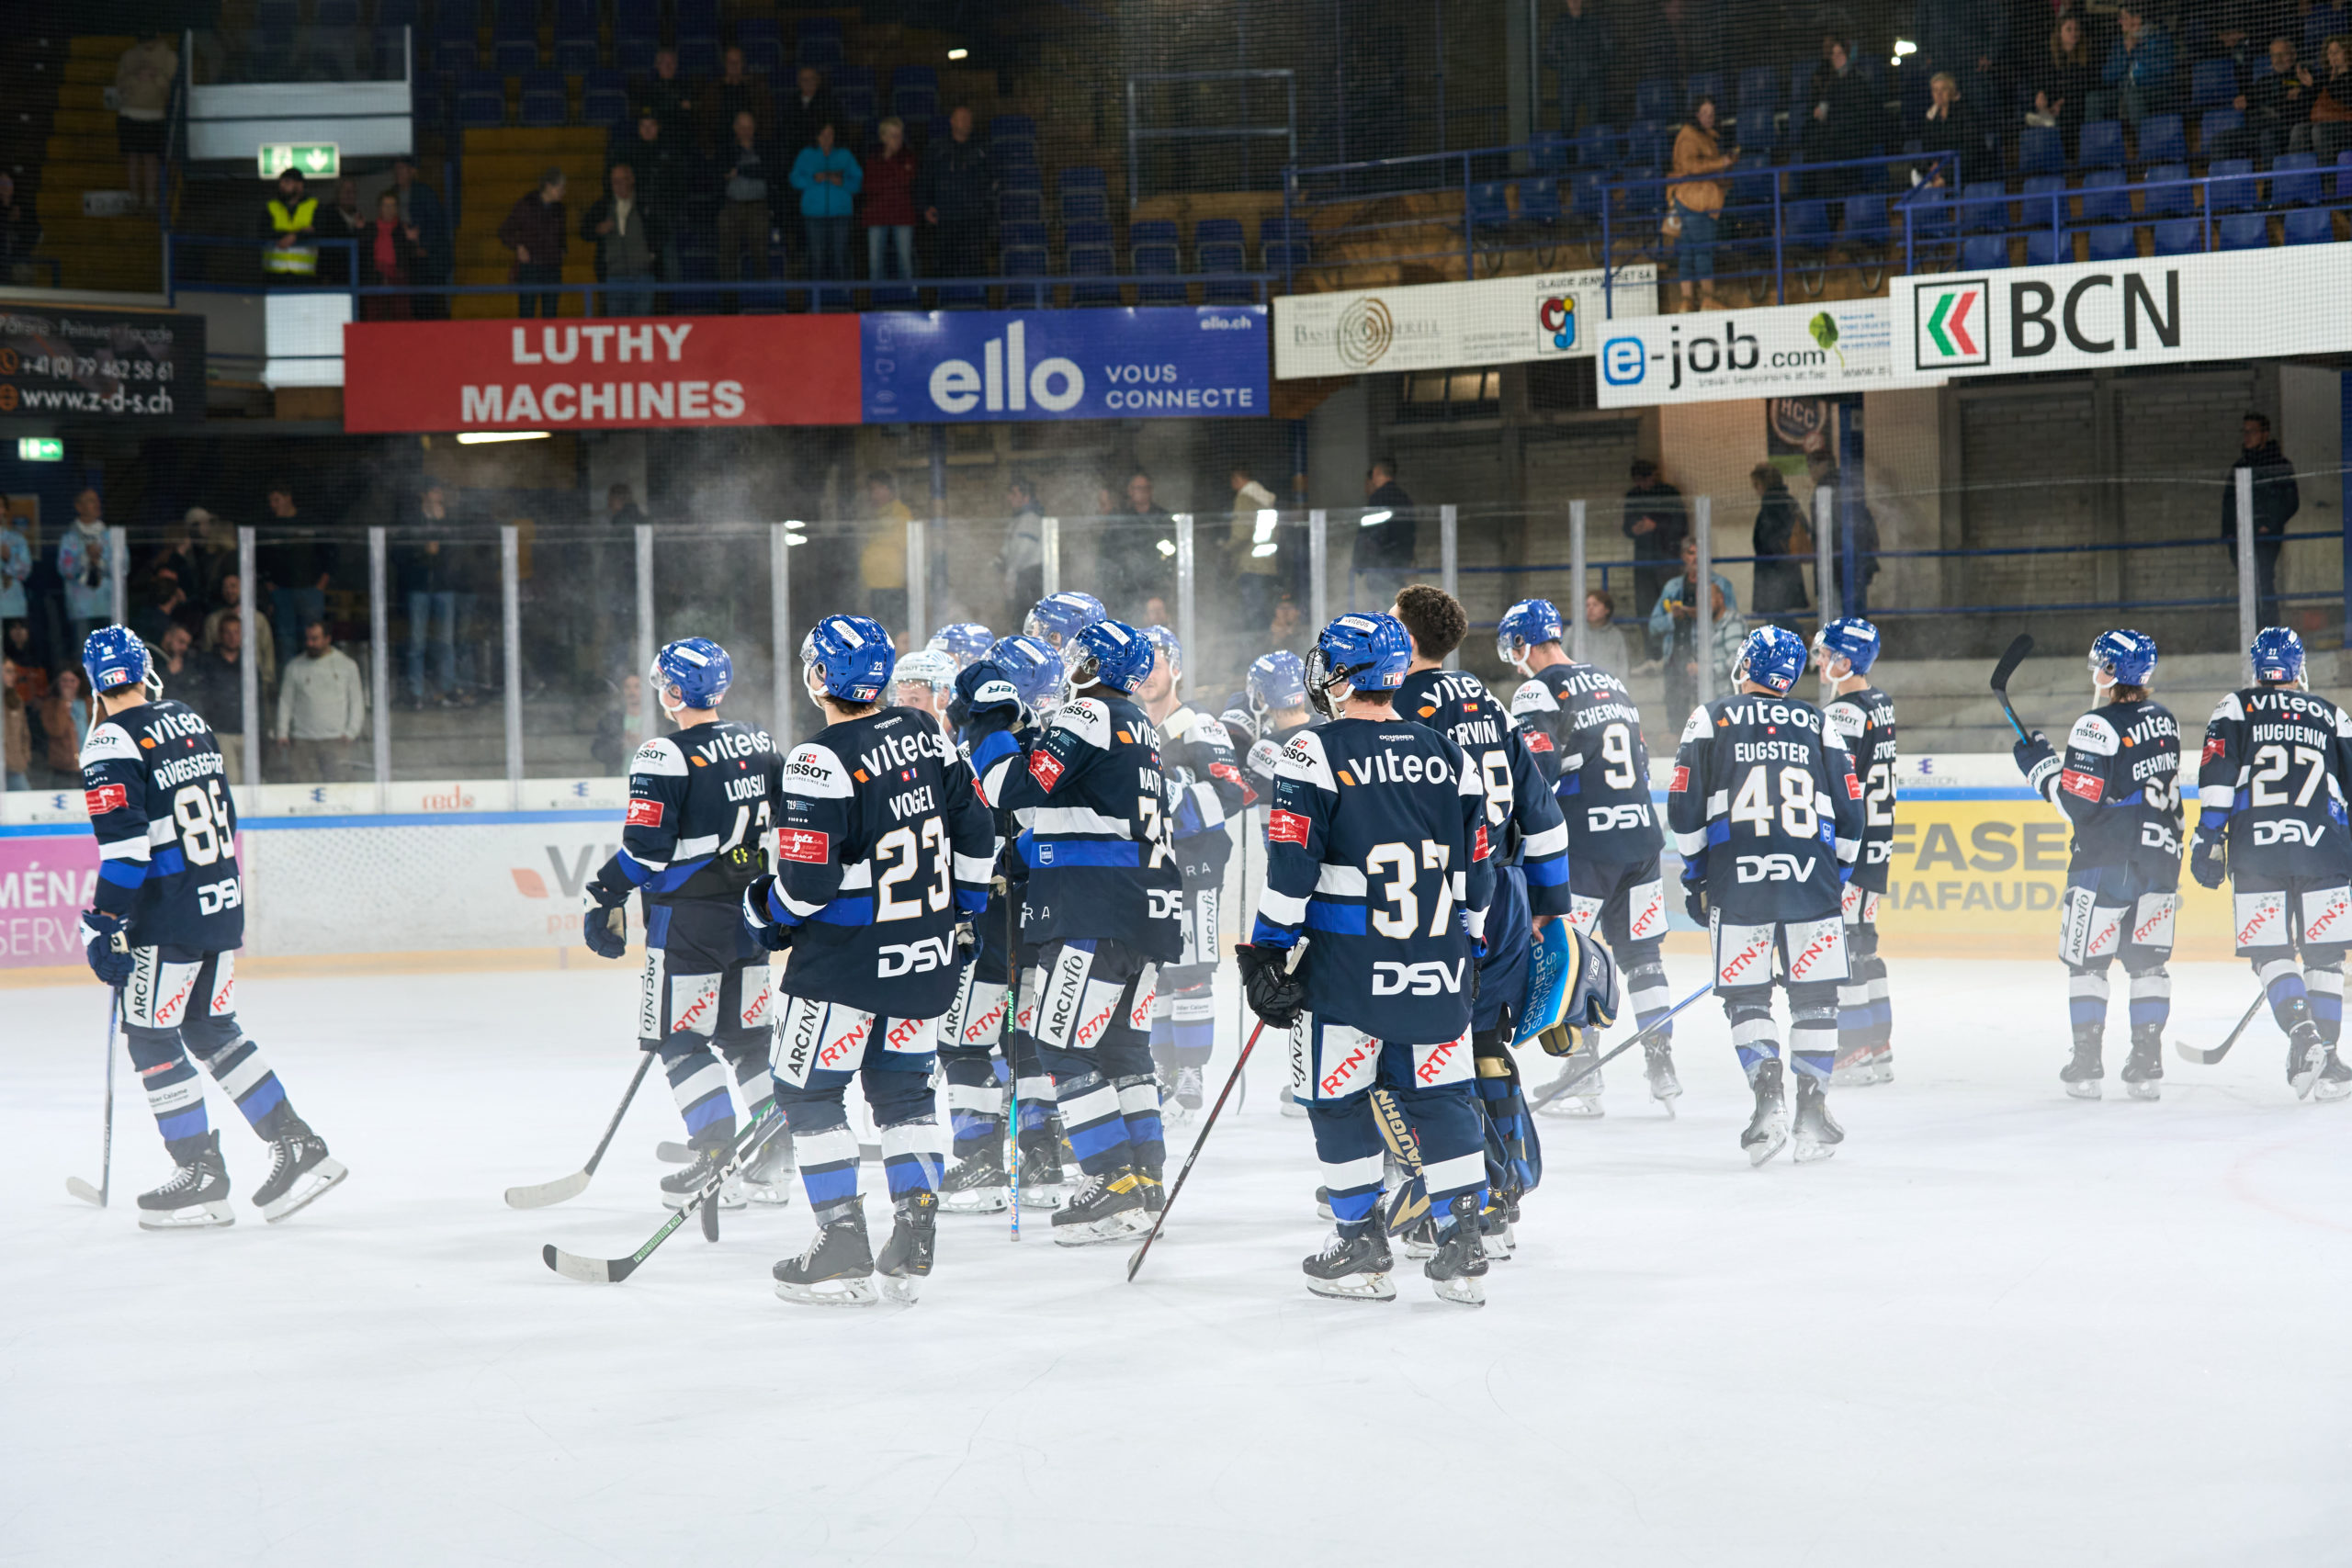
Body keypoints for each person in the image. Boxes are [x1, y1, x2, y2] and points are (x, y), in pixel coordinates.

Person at [1234, 611, 1500, 1303]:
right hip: (1437, 957)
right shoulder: (1448, 753)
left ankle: (1359, 1241)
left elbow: (1291, 869)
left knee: (1334, 1094)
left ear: (1343, 674)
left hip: (1347, 968)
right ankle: (1463, 1238)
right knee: (1441, 1095)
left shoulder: (1311, 752)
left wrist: (1266, 949)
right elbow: (1480, 868)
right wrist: (1467, 941)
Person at [742, 617, 995, 1304]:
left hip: (844, 964)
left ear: (819, 676)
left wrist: (764, 913)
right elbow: (978, 826)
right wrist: (965, 906)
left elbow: (806, 885)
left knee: (809, 1092)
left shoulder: (817, 759)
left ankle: (842, 1242)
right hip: (924, 954)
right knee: (905, 1092)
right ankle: (914, 1230)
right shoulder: (925, 733)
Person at [71, 626, 345, 1228]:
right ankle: (295, 1141)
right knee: (209, 1026)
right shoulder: (189, 720)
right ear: (145, 669)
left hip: (167, 914)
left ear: (95, 684)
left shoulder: (108, 741)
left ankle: (198, 1171)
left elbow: (125, 851)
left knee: (150, 1035)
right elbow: (228, 813)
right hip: (219, 899)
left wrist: (103, 922)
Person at [579, 638, 795, 1211]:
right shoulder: (760, 740)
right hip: (752, 913)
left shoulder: (662, 756)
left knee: (680, 1040)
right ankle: (774, 1161)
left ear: (674, 692)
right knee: (749, 1040)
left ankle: (715, 1153)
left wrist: (605, 891)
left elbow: (645, 854)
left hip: (687, 925)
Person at [1393, 587, 1572, 1257]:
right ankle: (1504, 1195)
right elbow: (1545, 819)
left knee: (1432, 1052)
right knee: (1487, 1041)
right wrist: (1552, 910)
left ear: (1406, 640)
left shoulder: (1400, 705)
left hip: (1438, 900)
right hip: (1506, 893)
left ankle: (1460, 1192)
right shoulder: (1487, 699)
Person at [994, 617, 1186, 1244]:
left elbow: (1018, 790)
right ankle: (1145, 1179)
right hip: (1147, 910)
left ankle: (1110, 1180)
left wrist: (995, 735)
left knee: (1060, 1042)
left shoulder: (1087, 717)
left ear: (1092, 663)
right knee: (1122, 1048)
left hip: (1096, 908)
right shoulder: (1140, 724)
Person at [1669, 625, 1866, 1164]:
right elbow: (1852, 811)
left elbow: (1683, 804)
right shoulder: (1821, 723)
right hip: (1812, 877)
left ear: (1746, 665)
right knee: (1816, 998)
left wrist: (1696, 875)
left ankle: (1767, 1103)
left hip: (1738, 878)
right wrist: (1837, 874)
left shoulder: (1712, 716)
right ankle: (1812, 1112)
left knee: (1747, 998)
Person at [1498, 595, 1680, 1115]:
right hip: (1642, 837)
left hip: (1587, 845)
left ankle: (1582, 1072)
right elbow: (1642, 762)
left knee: (1570, 952)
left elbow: (1539, 769)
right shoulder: (1612, 681)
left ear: (1520, 643)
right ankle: (1662, 1066)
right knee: (1644, 955)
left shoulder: (1537, 689)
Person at [2012, 630, 2182, 1100]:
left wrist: (2040, 768)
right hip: (2161, 861)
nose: (2096, 673)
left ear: (2113, 671)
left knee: (2087, 966)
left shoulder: (2095, 725)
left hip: (2105, 862)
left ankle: (2087, 1064)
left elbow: (2077, 806)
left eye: (2101, 665)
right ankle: (2147, 1064)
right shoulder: (2165, 720)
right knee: (2148, 966)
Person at [935, 634, 1069, 1213]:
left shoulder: (994, 746)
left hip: (998, 911)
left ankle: (980, 1162)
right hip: (1052, 914)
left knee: (963, 1040)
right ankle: (1042, 1157)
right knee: (1026, 1039)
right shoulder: (1066, 738)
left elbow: (983, 823)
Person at [2191, 626, 2352, 1100]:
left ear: (2257, 669)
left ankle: (2302, 1035)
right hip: (2324, 848)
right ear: (2299, 668)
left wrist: (2208, 839)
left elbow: (2218, 780)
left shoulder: (2236, 708)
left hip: (2258, 848)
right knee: (2325, 956)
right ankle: (2329, 1064)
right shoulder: (2332, 715)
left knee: (2271, 953)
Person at [1134, 626, 1246, 1122]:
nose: (1146, 676)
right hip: (1145, 865)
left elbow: (1234, 793)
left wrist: (1180, 795)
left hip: (1195, 864)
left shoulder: (1198, 723)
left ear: (1175, 668)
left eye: (1155, 664)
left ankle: (1192, 1069)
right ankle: (1162, 1068)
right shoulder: (1129, 726)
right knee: (1153, 972)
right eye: (1139, 665)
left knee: (1192, 971)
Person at [1814, 619, 1899, 1086]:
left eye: (1828, 656)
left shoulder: (1842, 714)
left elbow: (1836, 787)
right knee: (1863, 941)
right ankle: (1878, 1043)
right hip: (1878, 842)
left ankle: (1854, 1047)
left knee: (1845, 945)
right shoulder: (1879, 703)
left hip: (1853, 846)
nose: (1822, 663)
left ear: (1846, 662)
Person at [1650, 536, 1742, 728]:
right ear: (1683, 556)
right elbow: (1654, 626)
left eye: (1701, 553)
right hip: (1677, 661)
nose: (1696, 558)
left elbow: (1730, 621)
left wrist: (1699, 614)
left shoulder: (1721, 585)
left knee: (1711, 717)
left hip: (1708, 662)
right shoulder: (1672, 587)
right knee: (1677, 718)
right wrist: (1673, 618)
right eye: (1691, 553)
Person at [2222, 412, 2299, 628]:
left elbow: (2291, 502)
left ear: (2265, 434)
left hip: (2266, 536)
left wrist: (2270, 525)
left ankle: (2269, 632)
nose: (2246, 437)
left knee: (2263, 581)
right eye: (2244, 432)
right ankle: (2252, 632)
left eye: (2252, 432)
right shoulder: (2240, 466)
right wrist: (2229, 532)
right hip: (2240, 536)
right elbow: (2228, 501)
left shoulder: (2279, 465)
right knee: (2247, 585)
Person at [1669, 97, 1737, 311]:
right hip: (1696, 200)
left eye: (1712, 112)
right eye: (1705, 112)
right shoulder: (1689, 136)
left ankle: (1687, 301)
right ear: (1696, 114)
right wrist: (1722, 162)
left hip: (1692, 198)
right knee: (1702, 250)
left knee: (1689, 251)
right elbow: (1691, 166)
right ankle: (1707, 299)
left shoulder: (1704, 136)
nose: (1710, 117)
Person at [274, 621, 364, 782]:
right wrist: (282, 732)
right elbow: (286, 701)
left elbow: (356, 701)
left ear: (327, 638)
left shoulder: (347, 666)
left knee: (338, 792)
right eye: (307, 639)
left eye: (315, 639)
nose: (310, 643)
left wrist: (352, 732)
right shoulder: (294, 667)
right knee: (301, 791)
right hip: (302, 740)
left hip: (337, 740)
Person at [917, 106, 994, 281]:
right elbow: (925, 179)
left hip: (974, 219)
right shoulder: (937, 149)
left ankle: (977, 303)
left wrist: (986, 209)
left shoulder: (982, 149)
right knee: (945, 265)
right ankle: (944, 305)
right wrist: (926, 206)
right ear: (952, 121)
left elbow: (992, 182)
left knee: (975, 265)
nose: (967, 123)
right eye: (962, 119)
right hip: (946, 218)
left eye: (969, 119)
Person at [1622, 458, 1686, 662]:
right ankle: (1652, 656)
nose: (1643, 485)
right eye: (1638, 481)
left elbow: (1681, 526)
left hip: (1667, 560)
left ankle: (1675, 653)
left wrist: (1656, 526)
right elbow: (1626, 526)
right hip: (1643, 562)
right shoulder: (1632, 496)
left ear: (1654, 475)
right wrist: (1635, 528)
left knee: (1670, 606)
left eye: (1645, 479)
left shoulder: (1669, 493)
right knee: (1645, 607)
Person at [790, 122, 862, 305]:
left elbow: (858, 181)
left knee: (840, 255)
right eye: (823, 134)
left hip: (841, 214)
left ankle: (844, 298)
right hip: (814, 215)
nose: (827, 138)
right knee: (816, 257)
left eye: (830, 134)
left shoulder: (844, 155)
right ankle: (815, 301)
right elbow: (794, 179)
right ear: (817, 136)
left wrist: (842, 182)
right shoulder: (807, 155)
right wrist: (814, 179)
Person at [581, 162, 663, 318]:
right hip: (614, 277)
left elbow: (661, 230)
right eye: (615, 182)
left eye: (624, 180)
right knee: (617, 326)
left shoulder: (646, 204)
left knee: (643, 325)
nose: (620, 185)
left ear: (632, 179)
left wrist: (652, 254)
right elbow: (584, 232)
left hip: (643, 277)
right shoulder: (603, 206)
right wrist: (598, 229)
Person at [1802, 39, 1882, 195]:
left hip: (1852, 141)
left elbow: (1861, 116)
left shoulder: (1858, 81)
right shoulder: (1832, 82)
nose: (1836, 57)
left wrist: (1830, 118)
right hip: (1834, 138)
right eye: (1833, 54)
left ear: (1848, 55)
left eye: (1840, 53)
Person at [114, 33, 176, 211]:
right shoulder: (129, 56)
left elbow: (171, 88)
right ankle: (134, 198)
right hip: (129, 114)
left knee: (151, 159)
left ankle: (150, 199)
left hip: (155, 115)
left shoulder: (169, 57)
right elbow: (120, 84)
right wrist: (136, 77)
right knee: (132, 157)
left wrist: (155, 77)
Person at [716, 112, 772, 309]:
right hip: (732, 206)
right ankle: (729, 305)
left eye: (749, 126)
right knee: (727, 255)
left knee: (760, 252)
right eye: (742, 126)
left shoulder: (764, 147)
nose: (746, 131)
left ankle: (763, 302)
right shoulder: (726, 148)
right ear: (735, 128)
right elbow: (719, 170)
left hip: (758, 206)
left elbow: (767, 170)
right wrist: (750, 170)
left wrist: (739, 171)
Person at [1748, 463, 1809, 635]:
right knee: (1777, 615)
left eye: (1756, 485)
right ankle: (1797, 643)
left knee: (1774, 616)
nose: (1755, 490)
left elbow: (1768, 539)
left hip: (1773, 569)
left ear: (1762, 484)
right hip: (1786, 566)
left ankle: (1803, 638)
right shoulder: (1788, 501)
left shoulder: (1771, 504)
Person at [499, 169, 568, 320]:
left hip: (552, 269)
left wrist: (562, 250)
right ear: (549, 186)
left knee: (550, 316)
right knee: (527, 314)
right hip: (531, 268)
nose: (563, 192)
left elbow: (562, 236)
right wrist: (518, 246)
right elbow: (505, 231)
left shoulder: (560, 209)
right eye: (560, 188)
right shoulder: (527, 205)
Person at [390, 155, 452, 317]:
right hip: (403, 258)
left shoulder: (424, 193)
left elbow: (437, 223)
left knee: (428, 304)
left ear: (412, 171)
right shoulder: (392, 194)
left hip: (426, 259)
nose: (398, 173)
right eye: (396, 169)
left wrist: (423, 245)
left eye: (402, 169)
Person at [2095, 7, 2176, 128]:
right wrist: (2126, 54)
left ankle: (2144, 142)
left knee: (2133, 95)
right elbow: (2106, 76)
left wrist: (2136, 50)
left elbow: (2167, 68)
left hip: (2154, 91)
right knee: (2094, 99)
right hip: (2123, 93)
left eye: (2124, 18)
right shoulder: (2119, 43)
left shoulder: (2158, 36)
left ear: (2137, 18)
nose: (2120, 22)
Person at [1352, 459, 1418, 607]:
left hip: (1380, 564)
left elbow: (1371, 534)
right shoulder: (1404, 498)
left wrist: (1360, 562)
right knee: (1396, 601)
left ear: (1376, 473)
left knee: (1382, 602)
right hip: (1400, 563)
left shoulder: (1378, 498)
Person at [1227, 463, 1283, 635]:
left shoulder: (1244, 499)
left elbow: (1241, 532)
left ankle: (1251, 654)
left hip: (1250, 565)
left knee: (1251, 616)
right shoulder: (1265, 499)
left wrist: (1226, 549)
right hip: (1267, 564)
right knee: (1263, 613)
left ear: (1237, 479)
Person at [862, 117, 918, 286]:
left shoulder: (909, 157)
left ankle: (908, 299)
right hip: (877, 216)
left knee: (905, 262)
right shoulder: (872, 159)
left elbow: (907, 181)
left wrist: (892, 162)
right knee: (875, 262)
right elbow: (868, 186)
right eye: (893, 136)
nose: (897, 140)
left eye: (900, 135)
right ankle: (877, 302)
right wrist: (891, 172)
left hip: (902, 216)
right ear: (883, 137)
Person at [2030, 15, 2096, 160]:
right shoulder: (2048, 55)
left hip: (2076, 105)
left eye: (2076, 29)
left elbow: (2083, 86)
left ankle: (2069, 160)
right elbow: (2043, 80)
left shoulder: (2086, 56)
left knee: (2065, 116)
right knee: (2036, 116)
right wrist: (2041, 93)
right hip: (2052, 105)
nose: (2074, 33)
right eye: (2069, 29)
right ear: (2059, 32)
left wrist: (2060, 103)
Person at [59, 489, 113, 657]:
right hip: (81, 609)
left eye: (97, 500)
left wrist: (100, 560)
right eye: (90, 500)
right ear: (79, 506)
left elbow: (123, 567)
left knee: (108, 655)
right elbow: (64, 569)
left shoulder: (110, 536)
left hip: (106, 606)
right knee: (83, 655)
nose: (96, 504)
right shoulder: (70, 538)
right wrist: (85, 557)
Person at [1544, 0, 1611, 132]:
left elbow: (1609, 50)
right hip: (1568, 81)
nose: (1574, 2)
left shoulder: (1594, 22)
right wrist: (1566, 67)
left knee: (1595, 121)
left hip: (1592, 80)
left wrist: (1594, 66)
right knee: (1567, 123)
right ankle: (1569, 152)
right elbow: (1548, 54)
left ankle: (1593, 150)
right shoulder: (1560, 25)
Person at [358, 189, 427, 320]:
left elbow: (413, 259)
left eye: (393, 205)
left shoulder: (404, 230)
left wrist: (413, 242)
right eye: (386, 205)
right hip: (374, 281)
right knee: (375, 320)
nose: (389, 209)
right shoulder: (369, 229)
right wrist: (358, 231)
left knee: (401, 320)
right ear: (379, 208)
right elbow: (361, 254)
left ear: (397, 208)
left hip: (399, 281)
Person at [860, 471, 912, 631]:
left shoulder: (900, 513)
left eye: (876, 489)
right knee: (881, 631)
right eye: (871, 490)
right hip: (877, 586)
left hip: (894, 586)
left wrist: (909, 579)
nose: (872, 495)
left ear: (887, 489)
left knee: (896, 631)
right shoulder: (877, 515)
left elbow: (908, 548)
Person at [2295, 36, 2352, 158]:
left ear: (2347, 52)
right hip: (2322, 122)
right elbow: (2304, 108)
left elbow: (2343, 98)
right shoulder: (2322, 78)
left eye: (2337, 52)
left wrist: (2333, 80)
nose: (2332, 56)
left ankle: (2328, 176)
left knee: (2319, 131)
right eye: (2330, 53)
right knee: (2299, 130)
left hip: (2346, 124)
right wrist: (2309, 87)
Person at [1915, 72, 1974, 186]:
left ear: (1952, 91)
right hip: (1938, 168)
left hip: (1960, 167)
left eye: (1943, 89)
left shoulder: (1965, 113)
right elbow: (1927, 148)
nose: (1939, 94)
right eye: (1935, 90)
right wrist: (1934, 165)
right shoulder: (1931, 117)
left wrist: (1945, 173)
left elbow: (1969, 150)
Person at [997, 476, 1045, 616]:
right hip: (1021, 580)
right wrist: (995, 565)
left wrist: (1009, 575)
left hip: (1031, 581)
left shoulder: (1031, 520)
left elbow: (1022, 552)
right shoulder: (1017, 520)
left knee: (1025, 622)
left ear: (1026, 497)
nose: (1009, 498)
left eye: (1014, 494)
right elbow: (1007, 549)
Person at [261, 169, 320, 283]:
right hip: (274, 276)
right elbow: (263, 232)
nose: (282, 186)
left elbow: (320, 230)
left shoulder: (314, 205)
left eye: (287, 182)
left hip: (304, 277)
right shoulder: (271, 206)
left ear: (300, 185)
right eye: (281, 182)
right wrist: (299, 232)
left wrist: (296, 236)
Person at [37, 666, 90, 785]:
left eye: (72, 681)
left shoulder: (90, 703)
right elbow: (56, 730)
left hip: (90, 762)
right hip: (64, 767)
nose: (68, 685)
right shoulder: (50, 705)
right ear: (57, 683)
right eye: (64, 680)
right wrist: (64, 702)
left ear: (80, 683)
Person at [777, 65, 836, 163]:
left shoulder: (829, 103)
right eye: (804, 79)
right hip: (795, 153)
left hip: (821, 153)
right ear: (798, 82)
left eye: (811, 79)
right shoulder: (790, 104)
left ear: (818, 81)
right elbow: (785, 131)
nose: (808, 83)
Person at [590, 671, 645, 769]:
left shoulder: (657, 720)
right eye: (627, 687)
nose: (632, 691)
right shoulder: (610, 720)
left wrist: (645, 743)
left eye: (637, 687)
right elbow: (598, 752)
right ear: (622, 691)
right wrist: (620, 745)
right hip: (617, 780)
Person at [1581, 589, 1636, 675]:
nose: (1590, 609)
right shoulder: (1574, 633)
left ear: (1607, 610)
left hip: (1608, 687)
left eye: (1595, 605)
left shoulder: (1616, 635)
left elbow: (1623, 667)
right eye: (1587, 605)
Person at [2, 512, 34, 624]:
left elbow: (25, 569)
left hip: (12, 605)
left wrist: (8, 560)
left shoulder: (17, 539)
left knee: (12, 638)